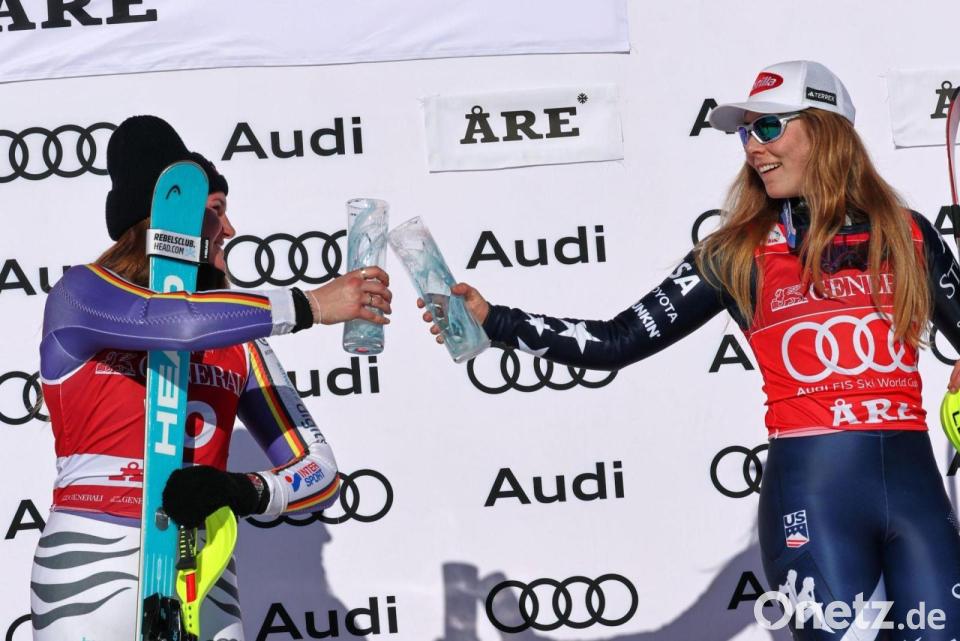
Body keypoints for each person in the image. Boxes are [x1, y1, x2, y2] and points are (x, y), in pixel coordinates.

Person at [422, 61, 960, 638]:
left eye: (768, 127)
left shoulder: (910, 233)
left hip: (919, 499)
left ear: (827, 130)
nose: (752, 147)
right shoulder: (736, 253)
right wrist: (495, 320)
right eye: (745, 132)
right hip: (816, 505)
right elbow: (616, 341)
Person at [32, 115, 392, 641]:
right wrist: (311, 304)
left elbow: (321, 471)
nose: (230, 229)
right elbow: (172, 322)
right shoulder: (80, 294)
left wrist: (241, 489)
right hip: (90, 558)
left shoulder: (241, 340)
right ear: (171, 216)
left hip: (202, 568)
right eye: (216, 211)